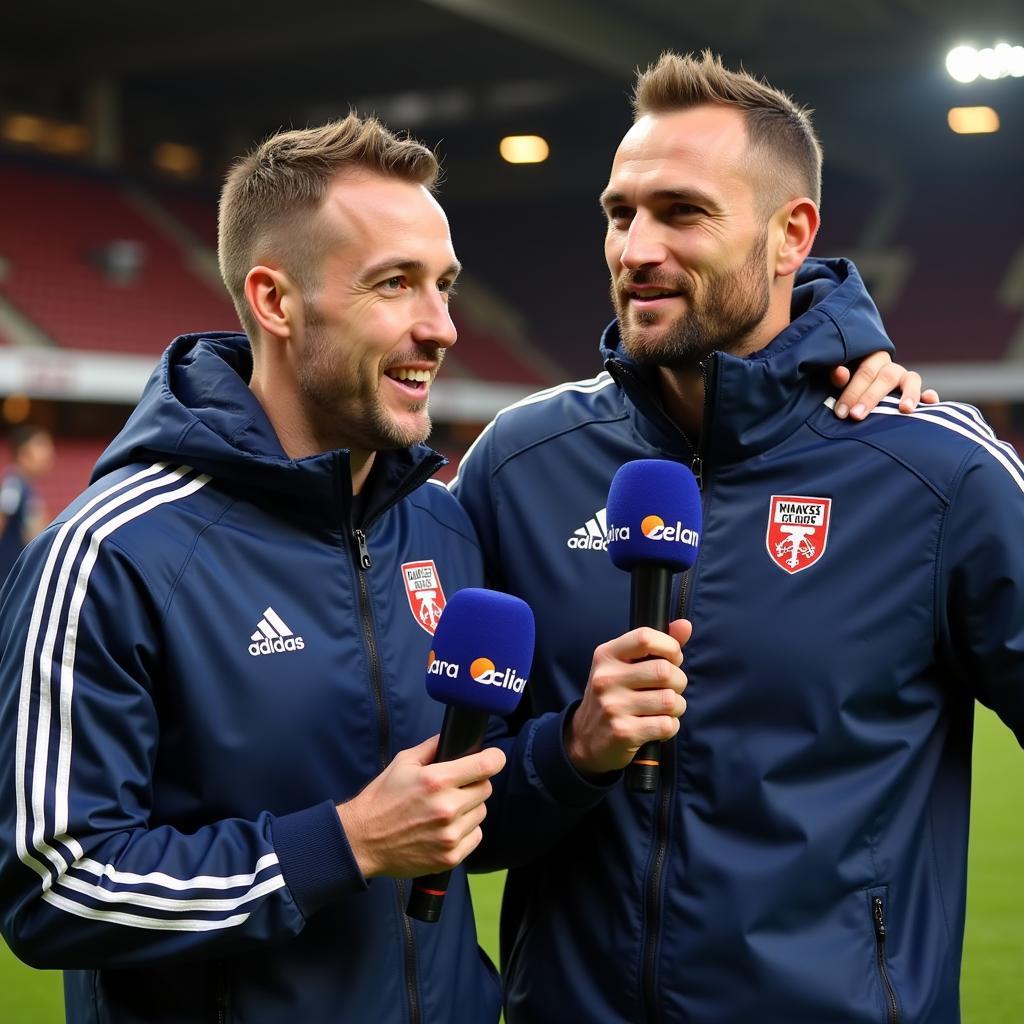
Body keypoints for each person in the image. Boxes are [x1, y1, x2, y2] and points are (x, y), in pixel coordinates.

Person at [454, 51, 1023, 1023]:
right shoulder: (517, 465)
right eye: (618, 212)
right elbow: (437, 808)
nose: (634, 250)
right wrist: (570, 752)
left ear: (788, 234)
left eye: (680, 212)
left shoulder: (937, 476)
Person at [0, 115, 507, 1024]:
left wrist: (586, 750)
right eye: (395, 284)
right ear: (275, 302)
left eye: (445, 285)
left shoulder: (440, 525)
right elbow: (55, 889)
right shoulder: (110, 555)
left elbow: (466, 806)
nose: (442, 327)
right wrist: (342, 844)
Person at [0, 424, 54, 583]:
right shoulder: (14, 484)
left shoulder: (26, 486)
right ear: (24, 453)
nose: (48, 453)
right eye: (41, 445)